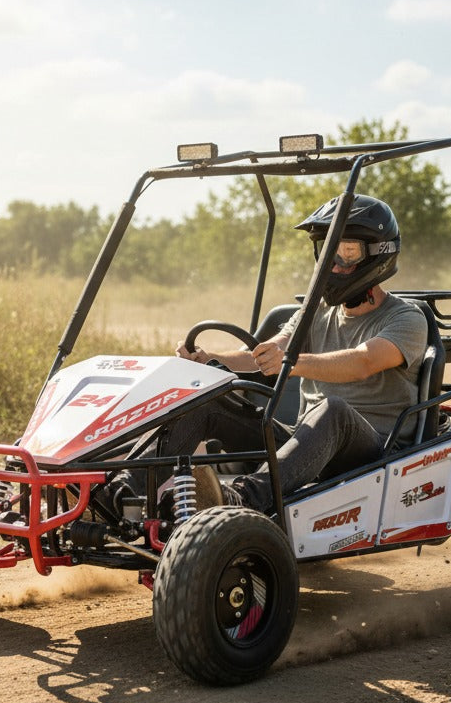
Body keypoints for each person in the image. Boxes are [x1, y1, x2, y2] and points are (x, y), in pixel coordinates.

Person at [165, 193, 429, 514]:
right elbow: (268, 352)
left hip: (372, 453)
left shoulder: (407, 318)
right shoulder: (316, 311)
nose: (335, 262)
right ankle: (127, 491)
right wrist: (209, 359)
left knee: (333, 410)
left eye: (348, 252)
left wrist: (289, 364)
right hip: (306, 444)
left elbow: (364, 361)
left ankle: (243, 498)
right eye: (328, 250)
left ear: (378, 253)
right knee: (208, 404)